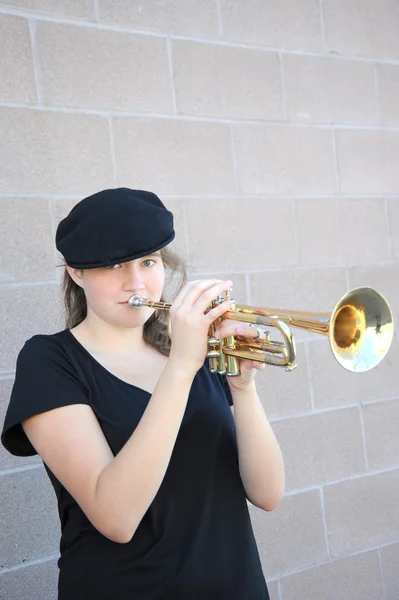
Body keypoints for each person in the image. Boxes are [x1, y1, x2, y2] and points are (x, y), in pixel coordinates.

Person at [1, 188, 285, 600]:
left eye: (148, 262)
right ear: (76, 273)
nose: (136, 282)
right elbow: (116, 516)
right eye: (114, 265)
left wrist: (244, 388)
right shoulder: (50, 360)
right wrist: (183, 367)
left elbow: (267, 494)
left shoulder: (188, 347)